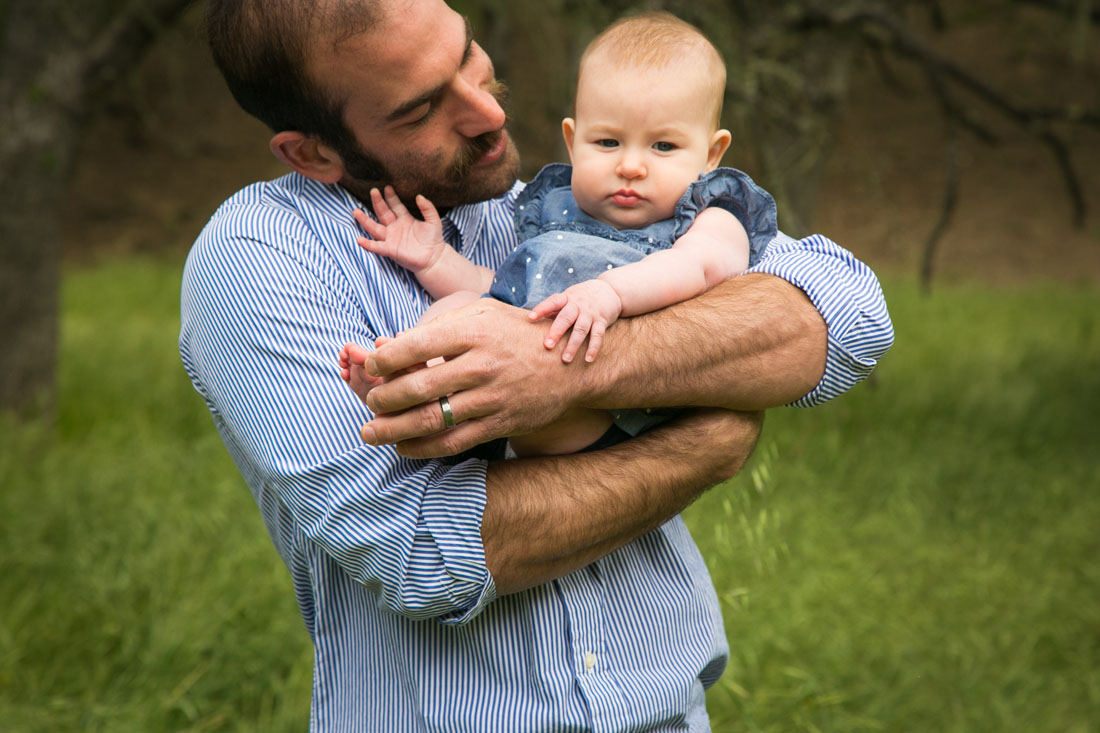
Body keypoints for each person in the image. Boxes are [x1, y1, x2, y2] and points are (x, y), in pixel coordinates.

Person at [179, 1, 894, 730]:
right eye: (422, 107)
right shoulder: (260, 256)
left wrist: (579, 368)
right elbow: (424, 553)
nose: (486, 110)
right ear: (313, 154)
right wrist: (701, 443)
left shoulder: (562, 202)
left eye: (466, 55)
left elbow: (848, 311)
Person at [341, 12, 779, 456]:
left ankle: (430, 405)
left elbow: (697, 267)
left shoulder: (712, 215)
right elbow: (508, 289)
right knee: (457, 309)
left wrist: (610, 294)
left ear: (711, 153)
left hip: (604, 407)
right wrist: (434, 259)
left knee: (548, 388)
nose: (630, 166)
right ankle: (402, 379)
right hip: (514, 370)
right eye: (607, 143)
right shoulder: (556, 208)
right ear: (573, 142)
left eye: (663, 146)